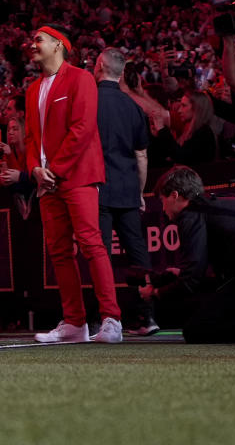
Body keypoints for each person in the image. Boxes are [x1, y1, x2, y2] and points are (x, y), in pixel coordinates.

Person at [24, 24, 123, 343]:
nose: (32, 44)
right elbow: (29, 138)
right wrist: (35, 170)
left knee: (92, 244)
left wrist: (53, 168)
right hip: (47, 181)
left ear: (58, 45)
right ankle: (74, 323)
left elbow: (82, 128)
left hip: (77, 176)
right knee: (59, 252)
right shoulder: (31, 89)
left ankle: (111, 319)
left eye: (39, 39)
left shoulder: (81, 78)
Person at [144, 166, 235, 343]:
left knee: (196, 331)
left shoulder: (191, 215)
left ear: (175, 195)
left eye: (162, 200)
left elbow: (191, 280)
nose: (163, 209)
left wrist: (155, 292)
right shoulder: (222, 205)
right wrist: (182, 274)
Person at [94, 48, 157, 336]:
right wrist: (140, 192)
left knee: (101, 253)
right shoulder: (134, 107)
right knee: (137, 253)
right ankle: (146, 316)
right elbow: (141, 156)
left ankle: (108, 319)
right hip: (129, 189)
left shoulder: (90, 101)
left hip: (98, 188)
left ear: (99, 67)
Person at [151, 91, 217, 166]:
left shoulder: (204, 132)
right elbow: (169, 155)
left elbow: (181, 157)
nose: (179, 110)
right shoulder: (189, 129)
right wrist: (156, 135)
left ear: (197, 108)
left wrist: (162, 129)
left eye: (184, 106)